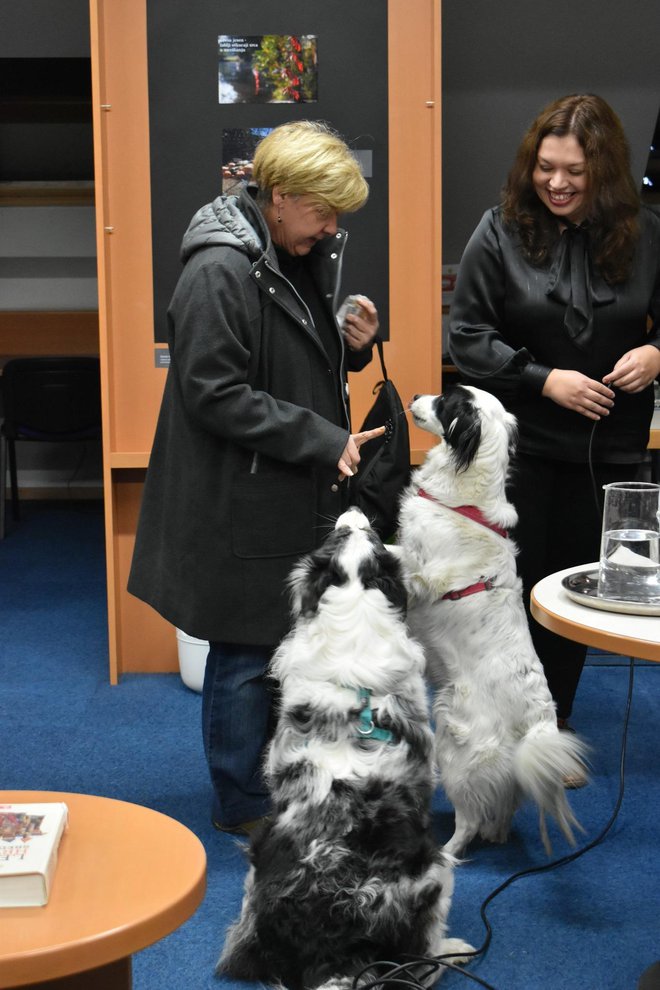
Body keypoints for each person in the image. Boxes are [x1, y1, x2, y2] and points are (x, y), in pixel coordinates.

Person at [128, 121, 383, 833]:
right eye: (323, 212)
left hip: (279, 486)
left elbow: (286, 362)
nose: (332, 229)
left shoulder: (279, 252)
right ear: (279, 196)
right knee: (243, 652)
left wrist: (348, 347)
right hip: (243, 495)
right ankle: (242, 802)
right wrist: (322, 437)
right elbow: (214, 392)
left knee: (279, 643)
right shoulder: (220, 270)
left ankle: (274, 781)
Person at [448, 93, 660, 743]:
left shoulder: (649, 235)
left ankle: (551, 722)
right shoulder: (499, 229)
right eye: (546, 167)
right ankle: (496, 731)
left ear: (605, 172)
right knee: (507, 598)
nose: (557, 183)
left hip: (611, 453)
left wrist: (656, 353)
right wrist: (545, 380)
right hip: (522, 450)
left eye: (574, 171)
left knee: (574, 598)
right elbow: (466, 337)